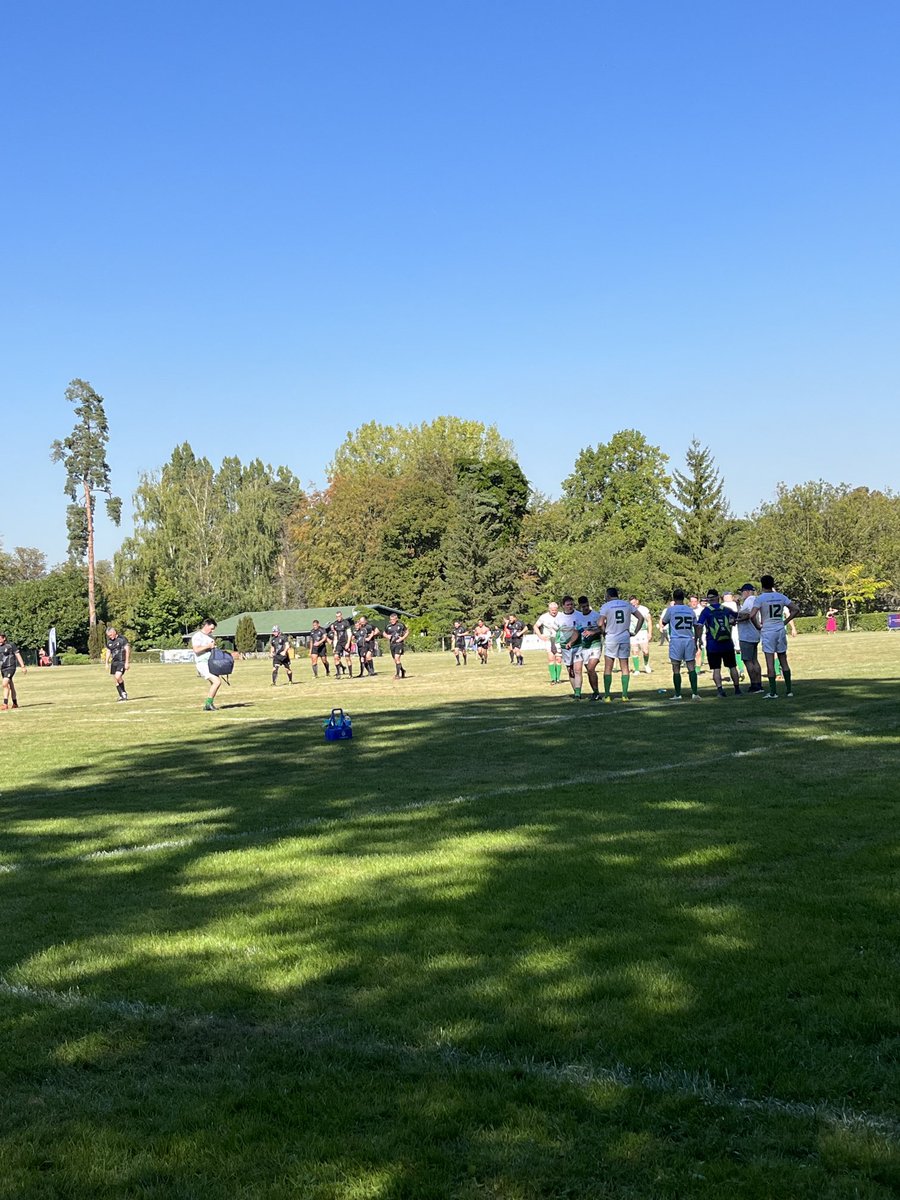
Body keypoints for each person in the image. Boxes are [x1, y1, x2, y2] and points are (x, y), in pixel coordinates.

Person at [751, 576, 796, 698]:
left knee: (770, 662)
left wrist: (758, 626)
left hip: (768, 631)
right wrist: (785, 622)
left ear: (762, 585)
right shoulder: (781, 596)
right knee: (783, 660)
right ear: (773, 584)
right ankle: (789, 690)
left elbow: (752, 615)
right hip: (780, 630)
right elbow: (795, 609)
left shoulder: (760, 598)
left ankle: (773, 692)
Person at [598, 589, 643, 702]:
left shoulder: (606, 606)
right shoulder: (627, 604)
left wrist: (604, 632)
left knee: (608, 666)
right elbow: (641, 617)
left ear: (607, 595)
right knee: (625, 666)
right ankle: (624, 695)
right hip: (624, 637)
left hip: (611, 638)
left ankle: (607, 695)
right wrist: (635, 631)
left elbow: (599, 623)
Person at [696, 590, 742, 697]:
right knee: (732, 667)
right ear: (718, 598)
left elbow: (699, 625)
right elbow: (738, 616)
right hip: (727, 643)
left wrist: (699, 639)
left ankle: (720, 690)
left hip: (713, 644)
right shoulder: (726, 609)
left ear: (708, 599)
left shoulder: (706, 611)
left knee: (716, 669)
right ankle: (737, 689)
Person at [660, 590, 701, 700]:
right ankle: (695, 693)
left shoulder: (671, 610)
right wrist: (697, 640)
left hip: (676, 639)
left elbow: (663, 622)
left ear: (674, 598)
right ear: (684, 598)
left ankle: (678, 694)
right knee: (691, 666)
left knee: (676, 667)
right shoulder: (690, 611)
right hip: (688, 639)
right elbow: (697, 626)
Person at [734, 584, 764, 693]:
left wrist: (736, 621)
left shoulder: (749, 600)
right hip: (755, 634)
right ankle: (759, 684)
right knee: (754, 660)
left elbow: (747, 615)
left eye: (742, 592)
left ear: (747, 591)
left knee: (748, 660)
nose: (741, 594)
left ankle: (754, 685)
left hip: (747, 634)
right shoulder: (756, 600)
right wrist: (738, 606)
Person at [555, 595, 585, 699]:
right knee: (570, 670)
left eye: (571, 604)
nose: (570, 606)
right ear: (563, 606)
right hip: (565, 648)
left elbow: (580, 629)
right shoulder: (559, 618)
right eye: (568, 605)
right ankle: (575, 690)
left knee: (577, 670)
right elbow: (556, 633)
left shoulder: (579, 615)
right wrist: (555, 645)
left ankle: (578, 693)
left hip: (578, 645)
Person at [192, 618, 224, 711]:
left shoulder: (210, 637)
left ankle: (209, 704)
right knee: (217, 682)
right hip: (202, 663)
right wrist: (208, 646)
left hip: (210, 662)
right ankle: (208, 704)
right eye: (211, 628)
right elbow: (196, 650)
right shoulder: (198, 636)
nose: (212, 631)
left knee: (214, 683)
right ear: (206, 625)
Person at [577, 596, 604, 700]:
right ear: (580, 606)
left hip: (595, 644)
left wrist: (593, 632)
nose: (586, 608)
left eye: (587, 605)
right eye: (583, 606)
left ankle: (596, 693)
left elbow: (602, 629)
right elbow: (577, 630)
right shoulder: (578, 617)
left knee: (591, 668)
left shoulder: (596, 615)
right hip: (584, 646)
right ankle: (595, 692)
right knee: (589, 670)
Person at [533, 601, 562, 684]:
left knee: (558, 659)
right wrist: (540, 636)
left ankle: (558, 678)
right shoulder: (544, 617)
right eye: (552, 610)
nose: (554, 612)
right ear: (549, 609)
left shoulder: (561, 615)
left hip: (558, 639)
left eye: (555, 610)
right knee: (551, 657)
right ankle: (553, 678)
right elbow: (535, 626)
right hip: (549, 640)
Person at [0, 633, 27, 710]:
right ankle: (15, 703)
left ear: (4, 638)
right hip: (3, 668)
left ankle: (5, 704)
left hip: (10, 667)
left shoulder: (11, 645)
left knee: (5, 684)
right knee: (10, 685)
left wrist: (23, 666)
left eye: (0, 639)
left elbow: (18, 655)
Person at [106, 625, 131, 702]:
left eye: (110, 635)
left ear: (114, 632)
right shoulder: (109, 642)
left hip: (121, 661)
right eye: (108, 636)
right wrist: (106, 662)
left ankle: (124, 693)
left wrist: (127, 662)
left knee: (118, 676)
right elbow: (108, 651)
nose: (110, 637)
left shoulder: (122, 639)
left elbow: (127, 650)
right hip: (114, 662)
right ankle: (121, 695)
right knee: (116, 680)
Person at [628, 596, 653, 674]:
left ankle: (646, 664)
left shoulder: (644, 609)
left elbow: (649, 621)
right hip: (632, 633)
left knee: (645, 651)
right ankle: (636, 669)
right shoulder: (628, 610)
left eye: (634, 602)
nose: (633, 604)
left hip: (642, 631)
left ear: (637, 601)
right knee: (634, 651)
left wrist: (650, 632)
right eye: (631, 603)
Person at [327, 611, 353, 678]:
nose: (338, 618)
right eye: (337, 616)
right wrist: (335, 646)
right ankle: (338, 674)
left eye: (339, 616)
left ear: (341, 616)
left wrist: (348, 643)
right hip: (339, 643)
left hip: (345, 642)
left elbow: (349, 634)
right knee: (336, 657)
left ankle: (350, 674)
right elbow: (335, 636)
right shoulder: (335, 624)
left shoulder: (346, 623)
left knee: (347, 658)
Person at [383, 612, 409, 678]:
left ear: (396, 619)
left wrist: (402, 638)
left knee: (397, 658)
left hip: (399, 644)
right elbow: (384, 633)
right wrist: (387, 636)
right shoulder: (388, 626)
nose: (392, 621)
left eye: (393, 619)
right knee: (396, 660)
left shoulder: (400, 625)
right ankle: (403, 671)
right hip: (392, 644)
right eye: (391, 619)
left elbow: (407, 631)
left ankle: (397, 675)